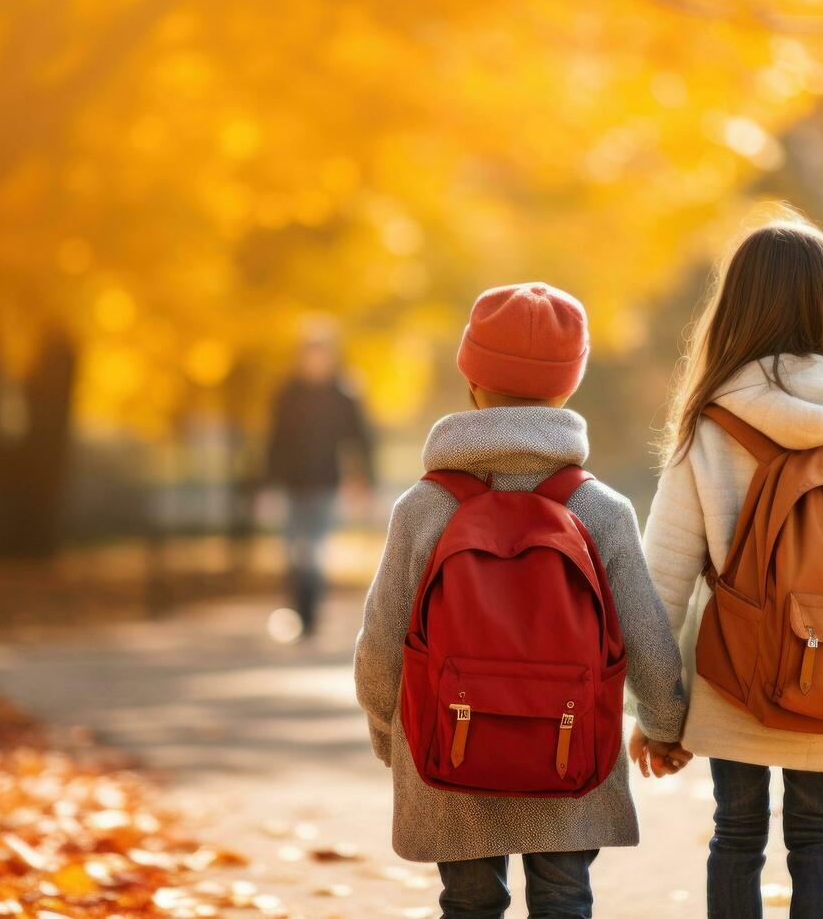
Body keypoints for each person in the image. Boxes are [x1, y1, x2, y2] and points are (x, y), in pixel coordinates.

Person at [353, 282, 687, 919]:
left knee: (468, 902)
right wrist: (665, 727)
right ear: (568, 388)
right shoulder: (600, 509)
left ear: (471, 382)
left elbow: (380, 643)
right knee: (564, 899)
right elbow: (648, 641)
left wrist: (390, 732)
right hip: (569, 751)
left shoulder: (423, 508)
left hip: (450, 746)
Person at [636, 216, 823, 919]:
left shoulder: (711, 423)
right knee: (818, 837)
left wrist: (656, 712)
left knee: (735, 836)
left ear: (734, 309)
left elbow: (661, 581)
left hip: (732, 677)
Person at [265, 325, 375, 640]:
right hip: (292, 484)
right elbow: (275, 441)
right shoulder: (287, 393)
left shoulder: (343, 394)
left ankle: (309, 617)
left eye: (321, 355)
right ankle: (298, 610)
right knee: (292, 550)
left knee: (315, 550)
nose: (316, 362)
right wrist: (269, 483)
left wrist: (362, 480)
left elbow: (360, 440)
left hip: (326, 483)